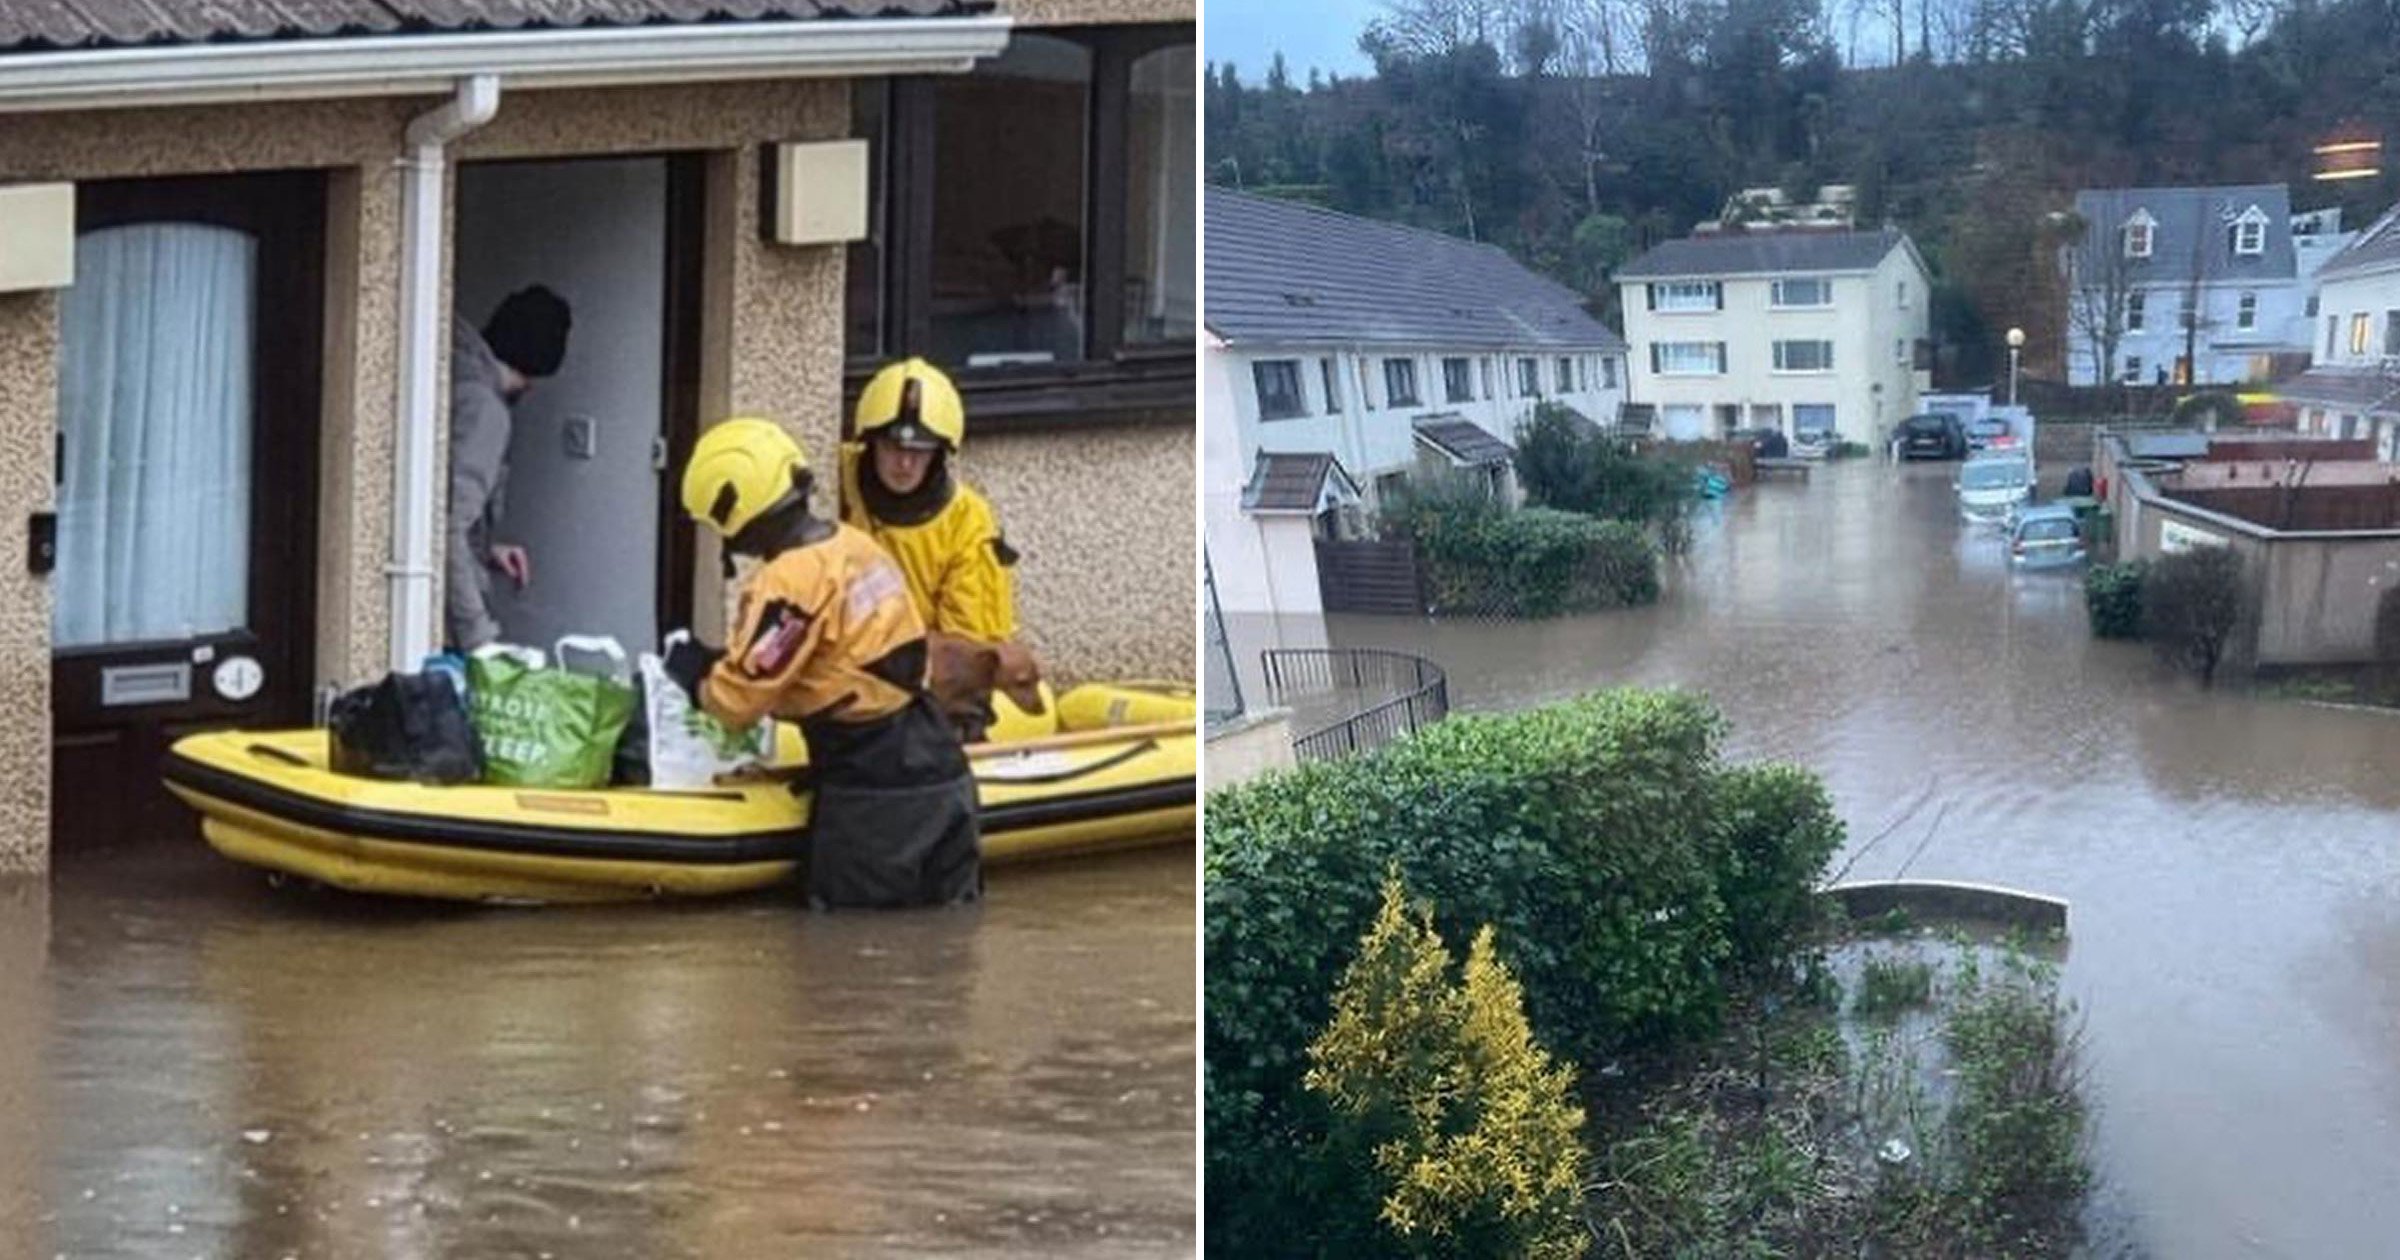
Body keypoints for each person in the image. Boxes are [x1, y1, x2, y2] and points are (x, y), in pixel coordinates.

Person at [664, 417, 980, 910]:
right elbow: (848, 657)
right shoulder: (853, 546)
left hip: (875, 799)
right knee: (941, 956)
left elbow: (737, 700)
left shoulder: (790, 581)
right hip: (939, 771)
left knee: (852, 961)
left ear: (738, 509)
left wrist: (695, 673)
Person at [840, 357, 1022, 737]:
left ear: (939, 453)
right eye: (891, 446)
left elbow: (967, 654)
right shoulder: (837, 482)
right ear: (870, 442)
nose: (904, 463)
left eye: (919, 451)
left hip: (926, 689)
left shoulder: (967, 522)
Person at [446, 285, 572, 652]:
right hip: (449, 618)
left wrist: (488, 548)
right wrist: (478, 637)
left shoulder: (454, 374)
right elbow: (449, 526)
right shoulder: (487, 411)